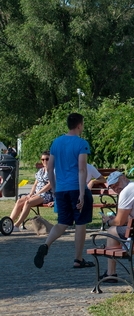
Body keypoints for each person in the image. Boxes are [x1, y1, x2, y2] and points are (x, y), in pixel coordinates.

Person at [33, 113, 95, 270]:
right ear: (79, 125)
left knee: (62, 222)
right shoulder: (81, 144)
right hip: (76, 188)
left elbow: (50, 168)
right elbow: (82, 170)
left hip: (61, 189)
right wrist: (82, 193)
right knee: (80, 223)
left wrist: (54, 189)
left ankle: (46, 245)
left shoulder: (56, 143)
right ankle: (78, 259)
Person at [11, 151, 53, 230]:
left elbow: (49, 185)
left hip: (46, 194)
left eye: (47, 159)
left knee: (28, 202)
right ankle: (9, 222)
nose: (44, 161)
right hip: (36, 194)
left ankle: (16, 225)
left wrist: (37, 193)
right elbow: (35, 184)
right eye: (42, 159)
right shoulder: (40, 171)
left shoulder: (53, 171)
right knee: (19, 201)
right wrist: (31, 194)